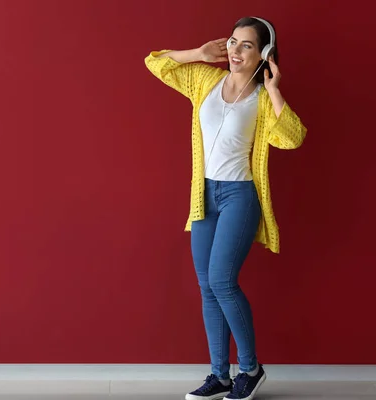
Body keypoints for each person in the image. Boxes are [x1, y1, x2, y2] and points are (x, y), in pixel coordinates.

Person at [144, 16, 307, 400]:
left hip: (239, 196)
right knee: (207, 288)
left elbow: (294, 137)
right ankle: (220, 375)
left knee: (221, 281)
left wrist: (276, 89)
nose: (234, 50)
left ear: (264, 54)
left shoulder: (263, 99)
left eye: (246, 45)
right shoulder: (204, 79)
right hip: (204, 196)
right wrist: (197, 53)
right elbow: (155, 62)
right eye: (233, 42)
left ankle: (250, 368)